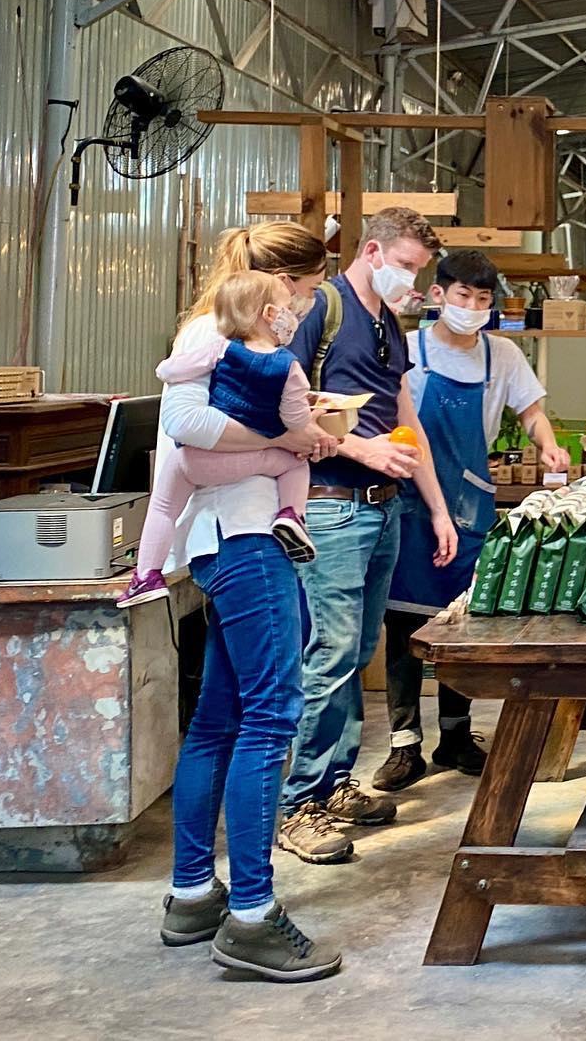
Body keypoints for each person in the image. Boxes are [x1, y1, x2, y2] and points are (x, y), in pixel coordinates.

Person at [157, 221, 345, 981]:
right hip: (243, 539)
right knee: (271, 717)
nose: (305, 302)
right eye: (304, 286)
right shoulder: (219, 327)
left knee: (219, 719)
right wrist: (286, 446)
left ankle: (193, 893)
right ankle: (253, 916)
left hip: (232, 536)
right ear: (280, 280)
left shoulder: (231, 327)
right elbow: (185, 424)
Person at [278, 207, 458, 865]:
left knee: (354, 654)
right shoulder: (317, 312)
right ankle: (298, 804)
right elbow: (284, 413)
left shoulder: (389, 322)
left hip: (384, 509)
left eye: (419, 270)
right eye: (407, 266)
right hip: (330, 505)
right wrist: (361, 449)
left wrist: (435, 506)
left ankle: (335, 783)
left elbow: (406, 419)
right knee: (328, 654)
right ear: (375, 250)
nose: (413, 281)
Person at [373, 250, 571, 792]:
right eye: (463, 297)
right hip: (409, 501)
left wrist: (549, 447)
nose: (473, 308)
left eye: (483, 300)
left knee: (461, 622)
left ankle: (456, 735)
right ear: (437, 295)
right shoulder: (407, 350)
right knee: (404, 623)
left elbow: (530, 412)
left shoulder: (501, 354)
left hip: (470, 504)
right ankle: (403, 743)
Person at [120, 272, 315, 609]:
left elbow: (168, 371)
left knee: (164, 506)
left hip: (196, 460)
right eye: (287, 307)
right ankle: (290, 514)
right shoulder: (289, 367)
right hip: (248, 466)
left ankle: (146, 576)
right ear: (270, 314)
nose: (293, 314)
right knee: (294, 463)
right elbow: (296, 422)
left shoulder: (219, 347)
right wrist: (298, 430)